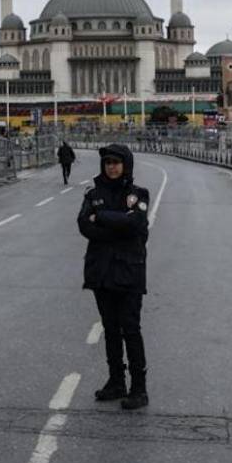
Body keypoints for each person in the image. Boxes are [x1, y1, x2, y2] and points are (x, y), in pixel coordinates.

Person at [77, 143, 149, 409]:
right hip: (102, 271)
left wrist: (103, 218)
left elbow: (137, 225)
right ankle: (116, 381)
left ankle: (139, 388)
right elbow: (84, 226)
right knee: (110, 329)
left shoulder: (139, 194)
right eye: (108, 163)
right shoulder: (93, 193)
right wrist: (118, 224)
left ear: (126, 165)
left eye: (117, 163)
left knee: (130, 329)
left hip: (129, 272)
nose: (112, 167)